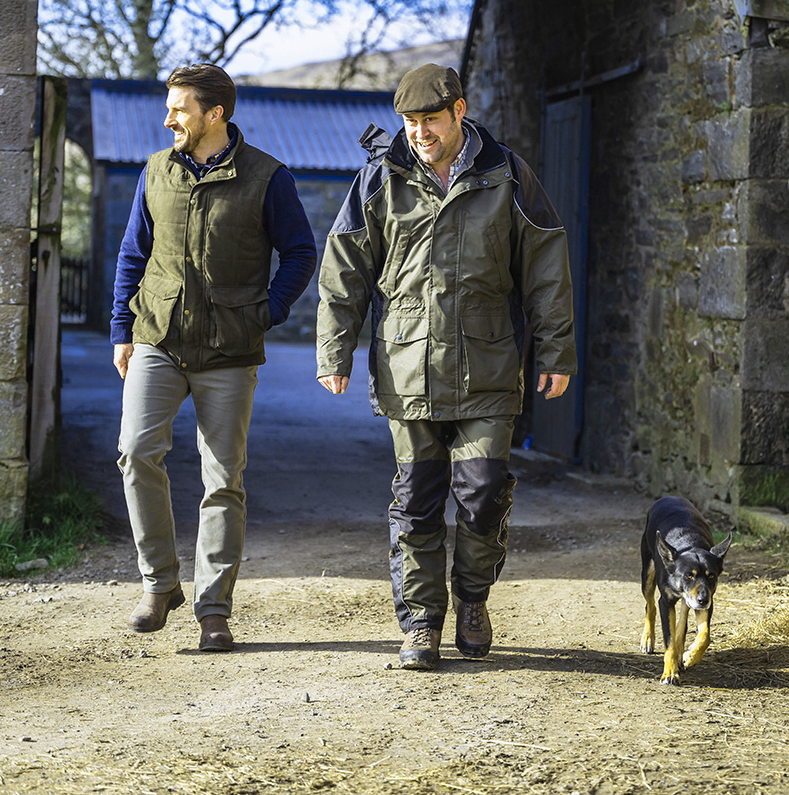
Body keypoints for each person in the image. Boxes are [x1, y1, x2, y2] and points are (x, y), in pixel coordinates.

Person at [316, 64, 576, 670]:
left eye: (430, 119)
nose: (419, 132)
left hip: (488, 364)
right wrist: (335, 349)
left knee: (483, 494)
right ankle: (421, 625)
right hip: (407, 368)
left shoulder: (507, 174)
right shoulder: (380, 177)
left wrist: (557, 349)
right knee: (416, 501)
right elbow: (345, 265)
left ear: (459, 111)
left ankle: (472, 600)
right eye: (409, 121)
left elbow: (545, 263)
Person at [111, 63, 317, 652]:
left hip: (230, 349)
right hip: (158, 337)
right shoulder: (156, 171)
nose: (169, 118)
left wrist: (266, 312)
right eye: (169, 107)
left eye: (179, 108)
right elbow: (133, 254)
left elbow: (300, 252)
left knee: (223, 479)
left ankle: (213, 608)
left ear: (215, 114)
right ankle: (159, 584)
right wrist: (122, 329)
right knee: (135, 454)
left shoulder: (268, 178)